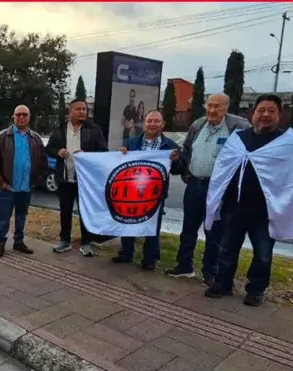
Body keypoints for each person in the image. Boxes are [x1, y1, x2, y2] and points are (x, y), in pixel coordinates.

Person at [204, 94, 293, 306]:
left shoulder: (285, 143)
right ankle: (222, 284)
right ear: (253, 114)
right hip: (235, 207)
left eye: (271, 111)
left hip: (265, 212)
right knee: (228, 248)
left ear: (280, 115)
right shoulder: (239, 138)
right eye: (261, 110)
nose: (265, 114)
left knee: (263, 254)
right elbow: (223, 168)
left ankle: (256, 290)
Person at [165, 93, 250, 285]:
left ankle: (210, 272)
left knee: (214, 232)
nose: (212, 110)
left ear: (226, 108)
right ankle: (184, 266)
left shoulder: (239, 126)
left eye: (217, 107)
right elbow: (187, 150)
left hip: (220, 190)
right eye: (209, 106)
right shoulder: (198, 125)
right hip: (195, 185)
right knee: (188, 229)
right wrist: (182, 166)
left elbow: (248, 156)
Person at [113, 110, 181, 270]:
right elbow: (121, 164)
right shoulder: (131, 142)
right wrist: (121, 153)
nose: (152, 124)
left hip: (156, 193)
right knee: (128, 221)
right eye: (149, 121)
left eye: (156, 121)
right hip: (132, 191)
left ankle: (149, 259)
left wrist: (176, 161)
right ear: (144, 124)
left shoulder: (170, 146)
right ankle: (126, 253)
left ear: (163, 124)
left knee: (152, 225)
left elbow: (179, 169)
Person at [46, 98, 108, 257]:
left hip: (85, 180)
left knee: (85, 211)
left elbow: (103, 152)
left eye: (85, 109)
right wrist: (57, 152)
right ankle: (64, 240)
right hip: (65, 178)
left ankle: (86, 242)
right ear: (70, 112)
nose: (83, 112)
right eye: (79, 109)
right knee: (65, 211)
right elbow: (49, 148)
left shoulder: (94, 130)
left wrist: (87, 155)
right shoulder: (60, 129)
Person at [0, 105, 47, 258]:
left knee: (21, 216)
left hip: (26, 188)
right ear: (13, 117)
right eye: (18, 114)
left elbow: (43, 163)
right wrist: (2, 183)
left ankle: (18, 242)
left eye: (24, 115)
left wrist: (36, 181)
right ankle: (0, 244)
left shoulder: (35, 138)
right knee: (4, 217)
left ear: (29, 117)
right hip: (8, 188)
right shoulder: (3, 136)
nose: (21, 117)